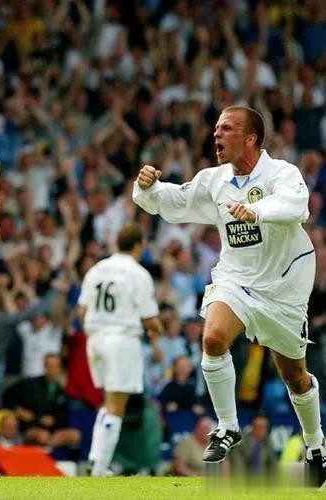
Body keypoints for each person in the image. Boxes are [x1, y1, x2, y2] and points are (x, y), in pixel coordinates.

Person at [133, 105, 325, 486]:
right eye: (216, 128)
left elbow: (296, 205)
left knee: (295, 377)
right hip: (236, 278)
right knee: (213, 338)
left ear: (250, 138)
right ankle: (227, 426)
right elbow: (178, 201)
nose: (216, 134)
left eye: (226, 129)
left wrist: (256, 211)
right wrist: (148, 188)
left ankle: (316, 443)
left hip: (283, 285)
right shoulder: (214, 180)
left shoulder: (280, 173)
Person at [76, 222, 162, 476]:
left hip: (95, 339)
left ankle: (96, 461)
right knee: (116, 405)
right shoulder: (138, 273)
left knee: (108, 402)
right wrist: (156, 330)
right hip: (121, 340)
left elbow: (81, 311)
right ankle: (99, 468)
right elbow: (150, 319)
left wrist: (95, 332)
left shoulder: (96, 269)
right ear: (139, 245)